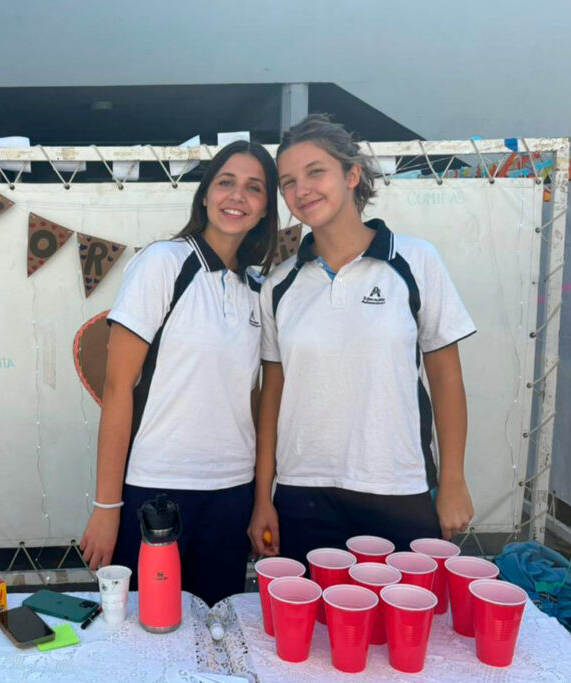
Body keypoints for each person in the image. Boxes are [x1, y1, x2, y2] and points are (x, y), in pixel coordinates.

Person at [248, 114, 476, 566]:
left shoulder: (415, 260)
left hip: (399, 487)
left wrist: (452, 481)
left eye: (316, 172)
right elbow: (271, 397)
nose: (302, 190)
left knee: (405, 635)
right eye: (289, 181)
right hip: (303, 493)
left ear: (352, 175)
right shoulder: (279, 285)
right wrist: (263, 498)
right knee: (314, 635)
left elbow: (447, 380)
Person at [79, 139, 279, 606]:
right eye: (226, 182)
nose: (237, 197)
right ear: (205, 193)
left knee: (215, 628)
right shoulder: (163, 263)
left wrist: (260, 495)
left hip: (232, 493)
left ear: (266, 207)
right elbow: (117, 386)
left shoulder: (258, 290)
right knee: (147, 636)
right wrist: (107, 508)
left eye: (254, 188)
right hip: (156, 488)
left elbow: (253, 398)